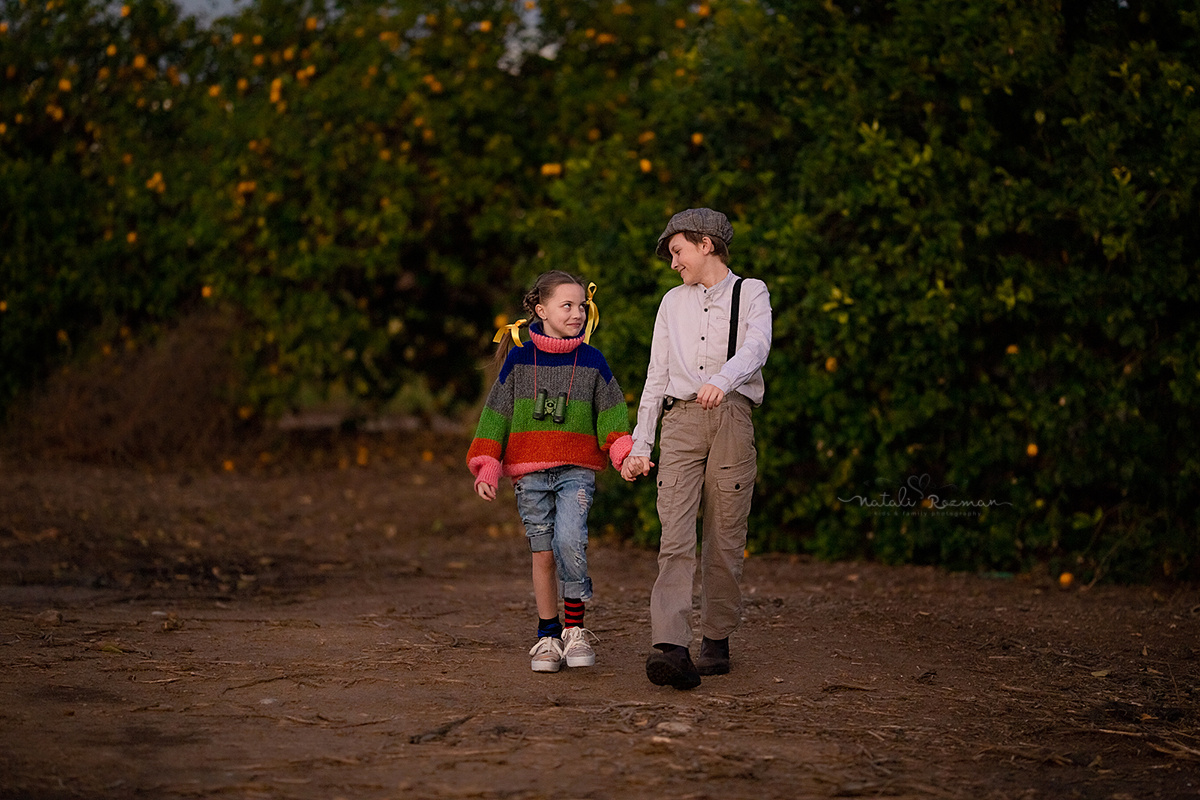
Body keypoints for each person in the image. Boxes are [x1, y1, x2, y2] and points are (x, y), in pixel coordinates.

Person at [621, 208, 773, 690]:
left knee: (725, 534)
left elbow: (757, 347)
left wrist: (723, 380)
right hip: (681, 420)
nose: (673, 263)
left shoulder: (752, 291)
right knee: (675, 533)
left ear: (706, 244)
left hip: (730, 415)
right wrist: (641, 444)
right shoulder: (671, 303)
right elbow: (656, 376)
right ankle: (669, 645)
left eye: (677, 250)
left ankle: (716, 638)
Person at [468, 270, 633, 674]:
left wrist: (623, 452)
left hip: (576, 470)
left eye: (582, 306)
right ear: (541, 310)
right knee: (542, 553)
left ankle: (575, 629)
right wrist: (488, 464)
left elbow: (612, 412)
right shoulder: (520, 360)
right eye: (567, 305)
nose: (577, 313)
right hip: (530, 476)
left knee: (570, 540)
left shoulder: (592, 361)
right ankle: (547, 635)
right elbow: (497, 414)